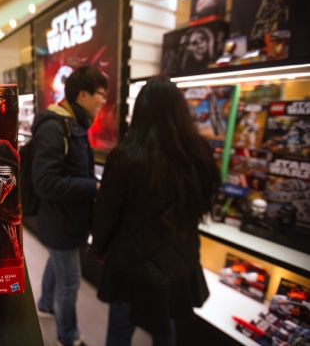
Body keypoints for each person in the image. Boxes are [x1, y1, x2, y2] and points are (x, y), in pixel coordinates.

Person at [91, 77, 221, 346]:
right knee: (165, 328)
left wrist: (99, 248)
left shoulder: (126, 156)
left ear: (141, 111)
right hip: (177, 262)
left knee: (119, 330)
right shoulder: (197, 154)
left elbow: (106, 212)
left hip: (129, 264)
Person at [31, 66, 107, 346]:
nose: (103, 101)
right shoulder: (56, 126)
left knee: (57, 263)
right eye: (101, 94)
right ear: (84, 94)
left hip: (65, 221)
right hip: (61, 222)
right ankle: (68, 335)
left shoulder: (71, 122)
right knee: (71, 281)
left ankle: (45, 304)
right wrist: (94, 187)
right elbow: (45, 182)